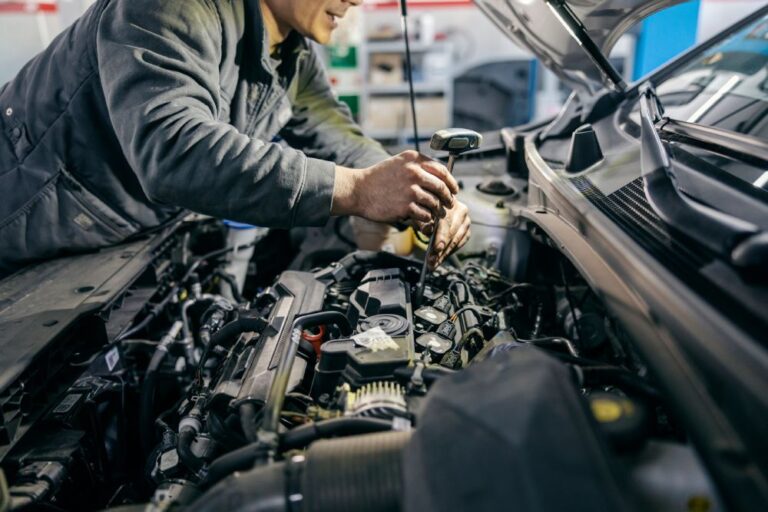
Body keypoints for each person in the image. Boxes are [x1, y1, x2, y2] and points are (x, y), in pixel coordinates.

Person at [0, 0, 470, 277]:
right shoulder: (172, 6)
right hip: (20, 219)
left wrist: (416, 187)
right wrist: (357, 189)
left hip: (106, 236)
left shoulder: (287, 52)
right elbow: (173, 150)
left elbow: (335, 132)